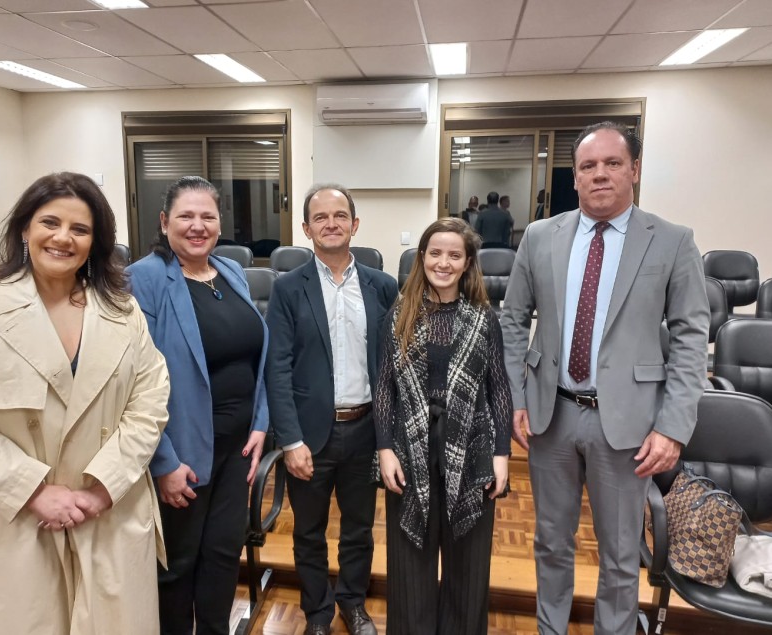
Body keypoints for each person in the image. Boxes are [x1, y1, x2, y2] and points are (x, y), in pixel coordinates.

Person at [0, 172, 170, 635]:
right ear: (24, 229)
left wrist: (103, 486)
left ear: (96, 242)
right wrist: (35, 492)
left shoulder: (122, 309)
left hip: (106, 511)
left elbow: (150, 403)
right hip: (12, 517)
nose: (63, 238)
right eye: (49, 223)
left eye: (80, 229)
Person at [499, 122, 710, 635]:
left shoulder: (672, 241)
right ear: (575, 177)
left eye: (612, 164)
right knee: (551, 541)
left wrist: (674, 426)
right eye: (588, 167)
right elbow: (512, 320)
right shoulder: (540, 236)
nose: (600, 176)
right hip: (552, 414)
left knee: (619, 551)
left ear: (634, 170)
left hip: (628, 422)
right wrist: (516, 397)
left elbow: (690, 336)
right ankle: (551, 627)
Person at [127, 176, 269, 635]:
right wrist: (162, 461)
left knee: (223, 557)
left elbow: (257, 357)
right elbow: (131, 379)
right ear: (164, 221)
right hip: (182, 450)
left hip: (237, 449)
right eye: (186, 216)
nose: (197, 226)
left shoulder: (228, 271)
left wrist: (261, 425)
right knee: (177, 566)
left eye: (207, 216)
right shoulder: (144, 279)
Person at [266, 183, 398, 635]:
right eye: (320, 218)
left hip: (365, 431)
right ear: (306, 228)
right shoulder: (287, 288)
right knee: (309, 533)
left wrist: (389, 439)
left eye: (340, 215)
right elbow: (277, 369)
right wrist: (289, 440)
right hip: (309, 435)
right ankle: (318, 614)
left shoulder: (383, 286)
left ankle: (353, 605)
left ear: (355, 224)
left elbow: (393, 366)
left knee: (360, 530)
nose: (331, 224)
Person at [376, 218, 512, 635]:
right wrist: (384, 449)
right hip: (408, 450)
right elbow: (383, 386)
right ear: (422, 258)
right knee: (409, 561)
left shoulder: (484, 319)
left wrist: (502, 455)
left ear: (467, 262)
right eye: (435, 253)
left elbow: (500, 389)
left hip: (471, 450)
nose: (443, 262)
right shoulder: (398, 315)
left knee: (468, 565)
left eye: (454, 255)